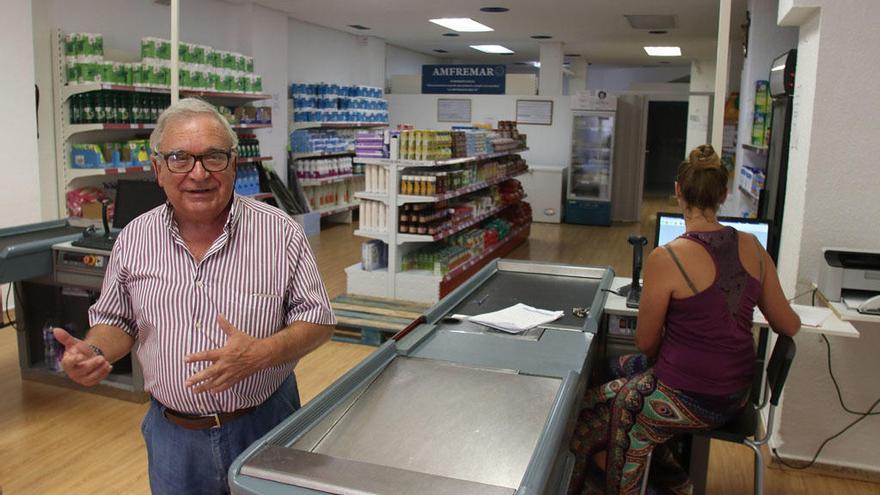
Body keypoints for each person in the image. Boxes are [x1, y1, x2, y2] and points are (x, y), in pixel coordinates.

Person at [53, 98, 336, 494]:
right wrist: (94, 352)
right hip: (173, 438)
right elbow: (117, 321)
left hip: (267, 422)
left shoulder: (279, 233)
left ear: (235, 164)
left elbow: (318, 320)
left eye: (214, 157)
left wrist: (262, 354)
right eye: (179, 158)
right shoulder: (135, 238)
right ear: (158, 169)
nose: (198, 173)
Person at [568, 144, 801, 495]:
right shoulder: (754, 247)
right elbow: (789, 325)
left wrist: (675, 355)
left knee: (595, 411)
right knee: (614, 370)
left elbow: (647, 344)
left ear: (678, 191)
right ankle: (675, 481)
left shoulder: (667, 257)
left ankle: (639, 484)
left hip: (687, 395)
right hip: (737, 394)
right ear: (723, 194)